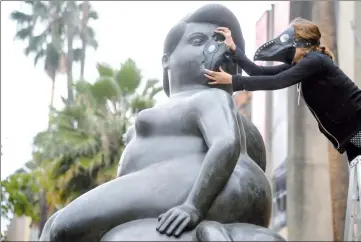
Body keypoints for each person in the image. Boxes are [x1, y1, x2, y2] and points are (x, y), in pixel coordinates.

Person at [39, 4, 281, 242]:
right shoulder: (199, 106)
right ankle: (208, 231)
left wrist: (193, 206)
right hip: (218, 194)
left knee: (61, 226)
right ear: (167, 60)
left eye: (222, 43)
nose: (214, 49)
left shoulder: (208, 97)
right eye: (198, 41)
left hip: (207, 189)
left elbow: (227, 143)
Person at [205, 17, 361, 241]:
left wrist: (233, 81)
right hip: (357, 137)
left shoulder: (316, 61)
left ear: (302, 45)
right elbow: (260, 72)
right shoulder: (305, 66)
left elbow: (277, 82)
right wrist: (235, 51)